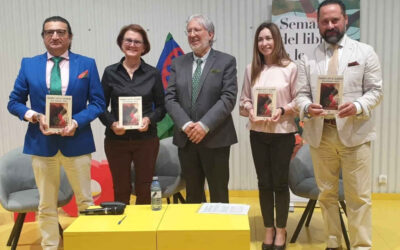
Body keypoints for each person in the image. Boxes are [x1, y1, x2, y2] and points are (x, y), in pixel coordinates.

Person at [7, 16, 105, 250]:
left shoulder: (87, 64)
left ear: (70, 37)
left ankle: (87, 245)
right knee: (46, 204)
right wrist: (35, 116)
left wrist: (77, 122)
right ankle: (50, 246)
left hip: (77, 141)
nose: (55, 36)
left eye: (61, 32)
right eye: (49, 32)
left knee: (86, 201)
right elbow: (14, 102)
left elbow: (98, 103)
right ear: (43, 37)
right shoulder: (29, 64)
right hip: (41, 143)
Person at [295, 0, 383, 249]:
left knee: (359, 198)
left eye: (335, 20)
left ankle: (361, 246)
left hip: (355, 135)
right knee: (327, 195)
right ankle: (333, 243)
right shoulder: (307, 57)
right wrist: (305, 107)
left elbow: (376, 92)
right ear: (318, 23)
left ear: (345, 20)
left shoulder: (365, 52)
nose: (330, 25)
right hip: (321, 136)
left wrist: (356, 106)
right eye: (325, 21)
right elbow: (300, 93)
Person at [165, 14, 238, 203]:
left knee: (219, 193)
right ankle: (196, 233)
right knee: (193, 194)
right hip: (186, 138)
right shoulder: (178, 63)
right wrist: (187, 124)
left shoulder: (226, 61)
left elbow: (228, 98)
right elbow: (170, 98)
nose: (192, 34)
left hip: (216, 138)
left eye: (197, 29)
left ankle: (219, 232)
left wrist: (204, 125)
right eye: (189, 31)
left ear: (211, 34)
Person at [239, 22, 297, 250]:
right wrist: (250, 110)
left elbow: (298, 101)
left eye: (268, 38)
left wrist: (282, 111)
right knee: (264, 183)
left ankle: (281, 230)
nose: (265, 43)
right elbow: (243, 101)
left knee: (280, 184)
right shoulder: (250, 69)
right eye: (260, 39)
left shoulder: (290, 68)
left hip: (283, 133)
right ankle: (268, 229)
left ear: (277, 40)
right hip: (258, 134)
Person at [99, 24, 165, 205]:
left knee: (145, 187)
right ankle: (122, 229)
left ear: (144, 47)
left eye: (137, 42)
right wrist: (112, 124)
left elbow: (162, 107)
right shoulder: (110, 72)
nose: (132, 45)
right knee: (121, 188)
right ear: (121, 43)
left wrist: (149, 120)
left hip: (146, 139)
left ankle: (143, 230)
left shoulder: (153, 73)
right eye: (128, 40)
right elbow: (100, 106)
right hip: (116, 140)